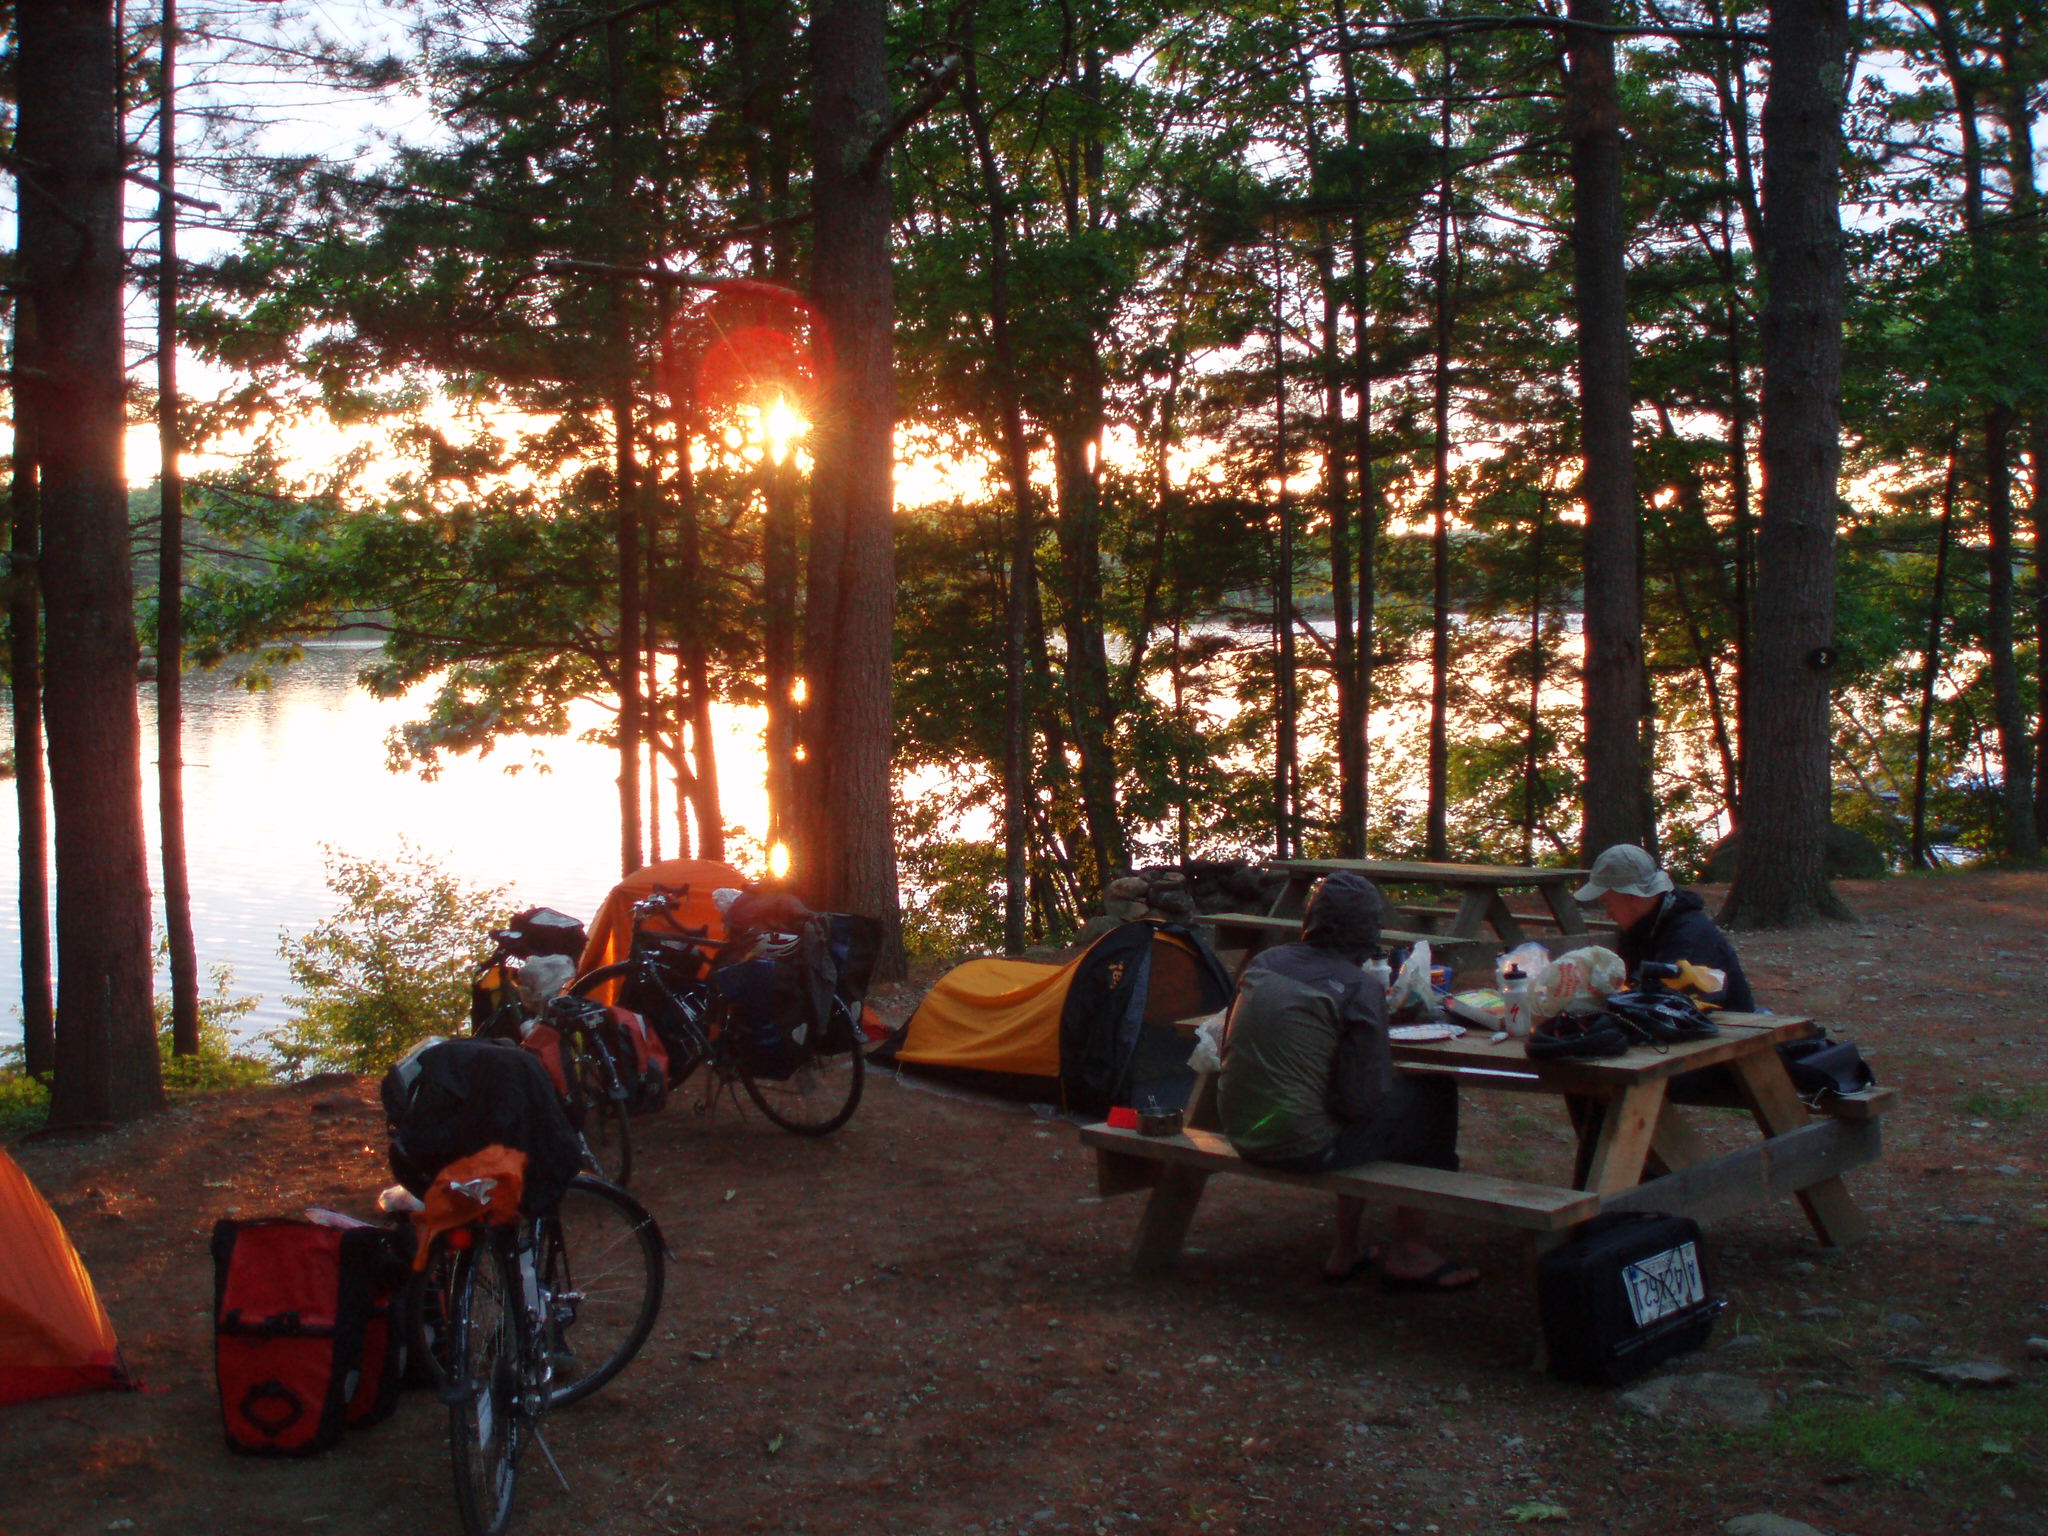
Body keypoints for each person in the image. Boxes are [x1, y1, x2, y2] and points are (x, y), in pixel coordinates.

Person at [1215, 873, 1477, 1292]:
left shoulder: (1266, 962)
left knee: (1347, 1099)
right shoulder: (1357, 987)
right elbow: (1359, 1103)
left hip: (1240, 1129)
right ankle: (1410, 1250)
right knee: (1432, 1094)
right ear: (1369, 930)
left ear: (1310, 919)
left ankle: (1346, 1248)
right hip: (1299, 1145)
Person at [1575, 844, 1755, 1011]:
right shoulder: (1640, 928)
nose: (1608, 915)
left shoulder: (1688, 936)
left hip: (1729, 1035)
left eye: (1607, 903)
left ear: (1632, 896)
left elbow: (1669, 1008)